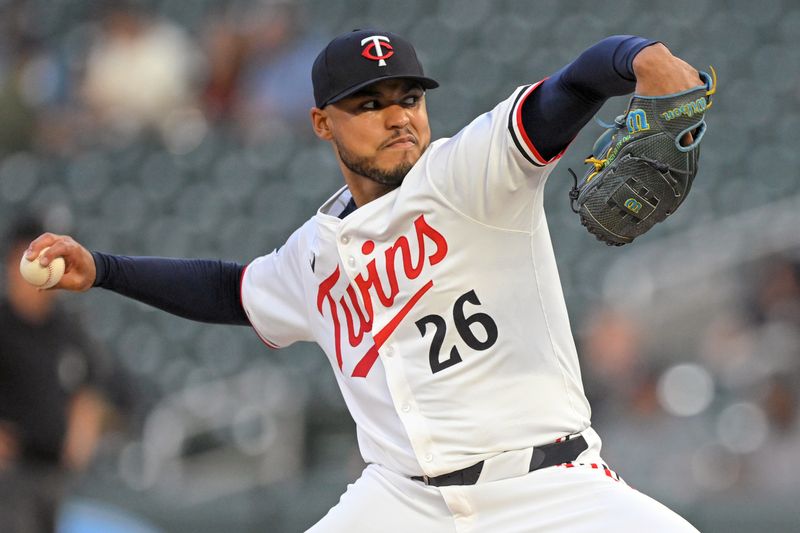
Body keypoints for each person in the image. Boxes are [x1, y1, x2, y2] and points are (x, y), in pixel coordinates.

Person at [26, 29, 707, 531]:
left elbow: (574, 86)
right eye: (370, 102)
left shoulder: (472, 171)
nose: (398, 114)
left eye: (408, 96)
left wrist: (639, 58)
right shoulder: (313, 253)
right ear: (322, 122)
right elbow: (229, 290)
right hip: (403, 502)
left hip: (548, 489)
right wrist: (104, 270)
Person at [0, 216, 111, 533]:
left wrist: (81, 434)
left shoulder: (68, 329)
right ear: (12, 265)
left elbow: (91, 384)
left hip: (55, 473)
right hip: (10, 474)